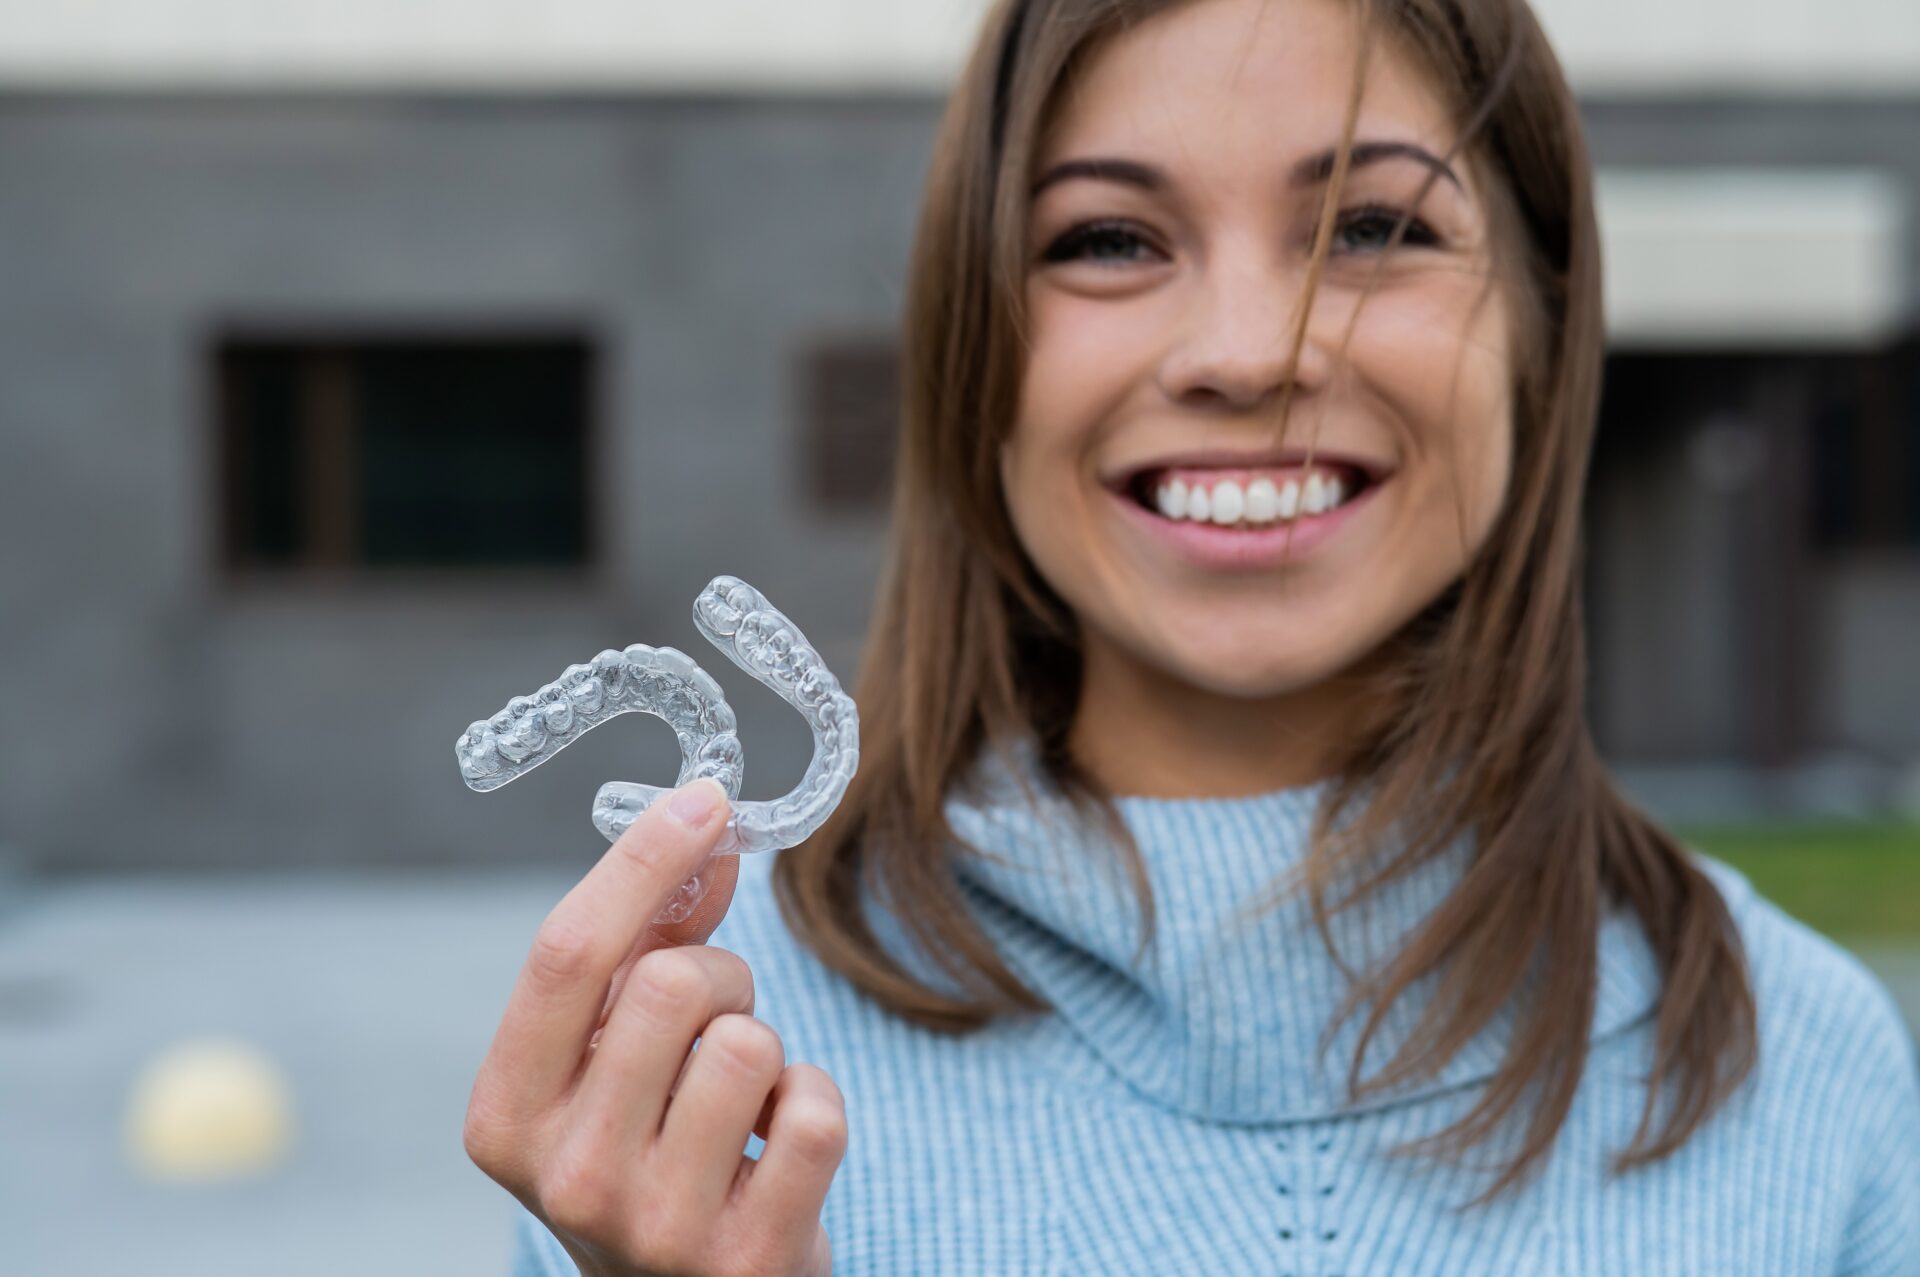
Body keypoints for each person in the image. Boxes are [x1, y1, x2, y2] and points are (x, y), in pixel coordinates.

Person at [463, 0, 1920, 1272]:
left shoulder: (1812, 1066)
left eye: (1372, 228)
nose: (1244, 350)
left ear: (1544, 329)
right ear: (978, 350)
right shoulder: (692, 1080)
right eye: (1107, 239)